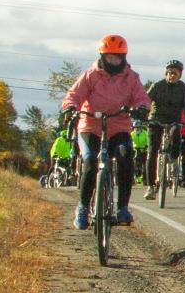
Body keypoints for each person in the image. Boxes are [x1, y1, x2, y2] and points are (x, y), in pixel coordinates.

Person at [59, 35, 151, 229]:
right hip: (90, 125)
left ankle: (123, 208)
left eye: (117, 58)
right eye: (110, 57)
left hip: (118, 126)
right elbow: (74, 95)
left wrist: (142, 107)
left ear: (124, 58)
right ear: (102, 56)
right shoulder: (91, 74)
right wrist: (70, 107)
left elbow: (142, 97)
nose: (114, 62)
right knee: (91, 162)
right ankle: (83, 208)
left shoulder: (131, 77)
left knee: (126, 157)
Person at [144, 59, 185, 199]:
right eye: (169, 72)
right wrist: (142, 113)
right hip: (156, 119)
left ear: (180, 74)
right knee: (151, 152)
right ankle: (150, 186)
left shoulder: (184, 89)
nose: (172, 75)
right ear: (166, 73)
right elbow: (144, 100)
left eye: (175, 73)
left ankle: (173, 158)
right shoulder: (157, 86)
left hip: (174, 120)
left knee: (176, 133)